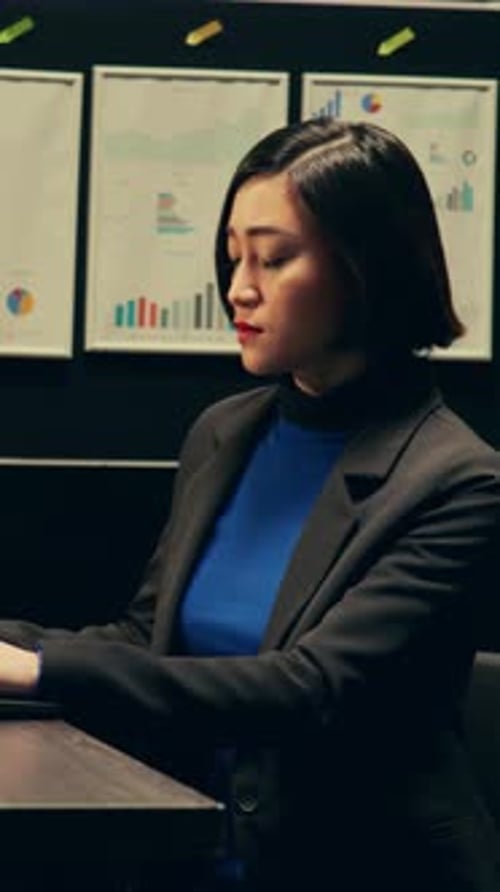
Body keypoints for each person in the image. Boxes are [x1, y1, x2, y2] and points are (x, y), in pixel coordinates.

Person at [0, 117, 499, 892]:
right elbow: (147, 637)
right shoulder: (224, 433)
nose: (238, 287)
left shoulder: (458, 480)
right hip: (193, 852)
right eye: (233, 256)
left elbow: (309, 688)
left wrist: (35, 669)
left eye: (273, 258)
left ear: (366, 267)